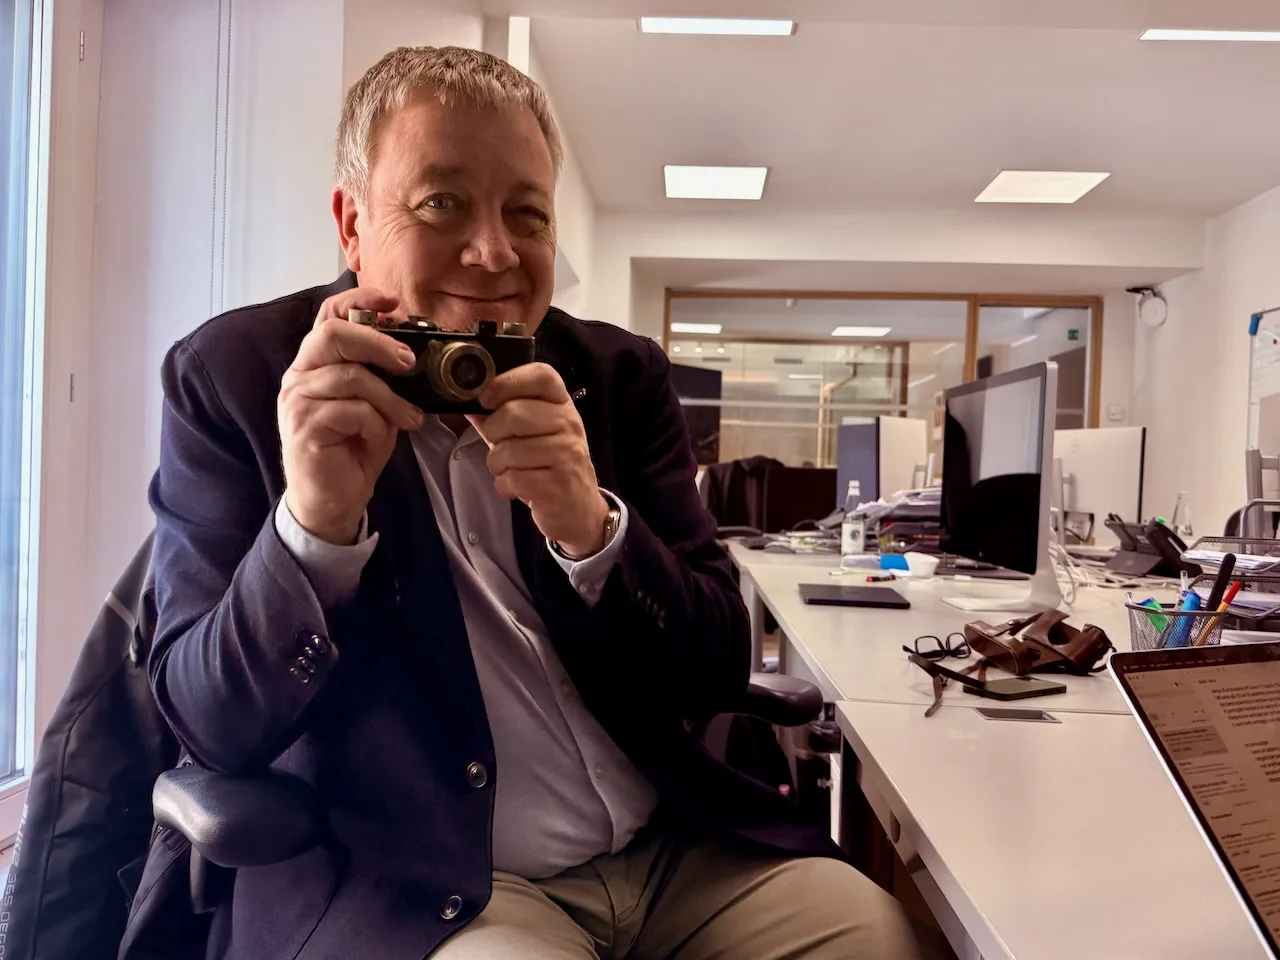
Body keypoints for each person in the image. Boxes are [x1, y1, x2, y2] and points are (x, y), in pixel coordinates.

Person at [148, 45, 948, 960]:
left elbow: (718, 663)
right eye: (442, 202)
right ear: (352, 222)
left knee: (878, 937)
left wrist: (593, 532)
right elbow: (208, 725)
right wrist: (313, 532)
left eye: (527, 214)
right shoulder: (239, 379)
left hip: (675, 850)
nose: (494, 252)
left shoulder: (615, 377)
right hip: (433, 885)